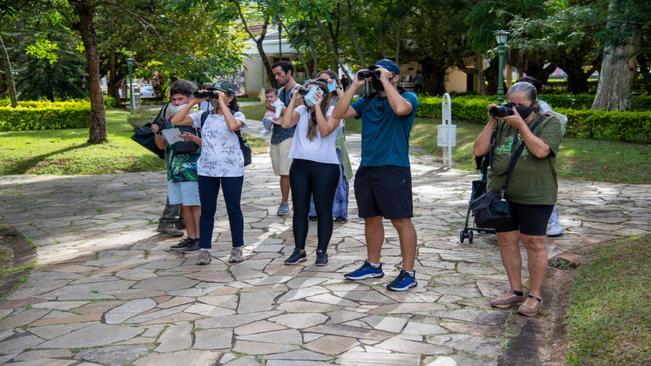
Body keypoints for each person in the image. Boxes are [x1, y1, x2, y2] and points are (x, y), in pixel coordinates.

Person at [473, 81, 563, 317]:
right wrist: (493, 121)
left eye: (520, 105)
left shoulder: (549, 123)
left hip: (536, 193)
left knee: (534, 243)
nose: (513, 108)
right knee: (505, 240)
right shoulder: (503, 124)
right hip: (502, 194)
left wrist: (522, 126)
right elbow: (479, 150)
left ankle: (535, 295)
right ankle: (516, 291)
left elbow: (541, 151)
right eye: (510, 104)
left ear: (533, 104)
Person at [332, 58, 420, 292]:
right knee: (371, 217)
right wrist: (354, 85)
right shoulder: (367, 101)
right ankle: (373, 264)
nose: (378, 78)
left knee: (401, 219)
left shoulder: (408, 98)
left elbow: (401, 109)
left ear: (396, 77)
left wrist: (385, 80)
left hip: (394, 166)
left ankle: (408, 272)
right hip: (368, 166)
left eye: (385, 74)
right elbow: (338, 114)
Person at [171, 80, 247, 265]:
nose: (215, 97)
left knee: (233, 209)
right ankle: (204, 249)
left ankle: (237, 248)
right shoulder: (203, 116)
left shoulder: (238, 114)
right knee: (207, 211)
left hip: (231, 170)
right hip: (207, 169)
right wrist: (194, 101)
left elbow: (232, 126)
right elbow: (175, 120)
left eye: (220, 93)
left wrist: (222, 102)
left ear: (230, 96)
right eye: (214, 94)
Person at [281, 79, 343, 266]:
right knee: (300, 209)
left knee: (324, 210)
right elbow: (285, 124)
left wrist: (317, 107)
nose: (307, 95)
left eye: (311, 92)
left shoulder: (333, 112)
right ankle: (299, 250)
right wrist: (294, 99)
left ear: (321, 95)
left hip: (325, 167)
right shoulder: (301, 111)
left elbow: (324, 130)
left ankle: (321, 251)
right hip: (300, 166)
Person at [150, 89, 202, 252]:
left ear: (189, 101)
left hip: (192, 168)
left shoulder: (197, 118)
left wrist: (192, 138)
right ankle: (191, 237)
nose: (177, 102)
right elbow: (162, 146)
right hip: (174, 169)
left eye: (181, 99)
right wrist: (158, 133)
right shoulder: (169, 121)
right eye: (174, 100)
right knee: (184, 205)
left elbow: (206, 142)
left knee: (194, 204)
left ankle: (200, 238)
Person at [518, 76, 564, 237]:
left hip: (536, 148)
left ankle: (552, 224)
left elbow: (549, 125)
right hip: (519, 153)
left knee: (542, 193)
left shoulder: (543, 107)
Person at [307, 70, 352, 223]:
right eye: (320, 80)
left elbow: (348, 105)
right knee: (313, 179)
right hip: (315, 145)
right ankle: (313, 211)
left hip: (335, 145)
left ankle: (340, 212)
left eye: (326, 81)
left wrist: (336, 88)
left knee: (338, 180)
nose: (323, 83)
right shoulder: (314, 97)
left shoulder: (336, 98)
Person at [270, 61, 299, 216]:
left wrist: (277, 109)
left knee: (286, 172)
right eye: (275, 74)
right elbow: (269, 106)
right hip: (276, 135)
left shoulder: (298, 90)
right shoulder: (280, 91)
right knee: (282, 171)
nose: (276, 77)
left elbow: (293, 112)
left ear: (289, 73)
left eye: (279, 73)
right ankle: (287, 202)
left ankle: (285, 202)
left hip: (292, 135)